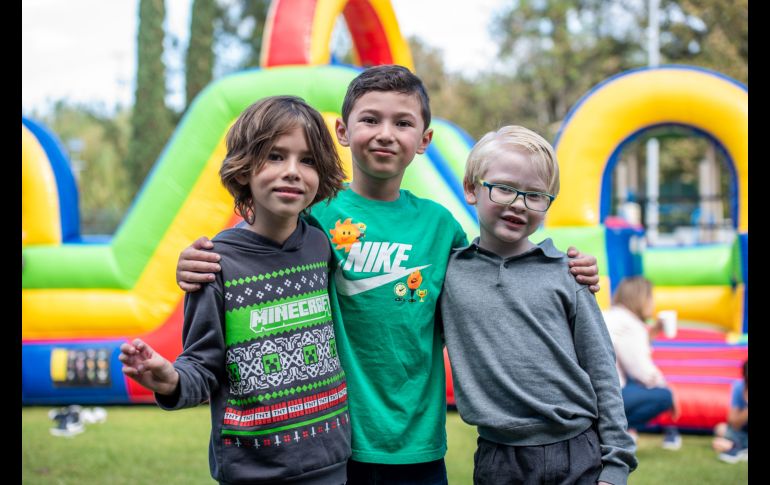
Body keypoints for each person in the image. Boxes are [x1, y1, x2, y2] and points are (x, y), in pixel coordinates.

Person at [175, 65, 601, 484]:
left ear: (424, 140)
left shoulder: (440, 227)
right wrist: (199, 259)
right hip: (336, 444)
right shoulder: (314, 217)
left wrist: (564, 267)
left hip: (419, 447)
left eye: (402, 122)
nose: (385, 133)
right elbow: (261, 242)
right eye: (370, 119)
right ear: (343, 131)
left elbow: (494, 273)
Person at [119, 95, 351, 484]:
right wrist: (170, 380)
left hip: (332, 462)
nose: (293, 171)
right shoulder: (212, 264)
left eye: (307, 160)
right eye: (275, 156)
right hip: (254, 471)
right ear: (243, 170)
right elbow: (202, 367)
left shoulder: (321, 246)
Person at [440, 125, 637, 485]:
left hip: (577, 451)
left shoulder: (568, 274)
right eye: (504, 188)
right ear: (471, 188)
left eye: (535, 195)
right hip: (498, 457)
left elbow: (602, 369)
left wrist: (616, 464)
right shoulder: (447, 272)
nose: (518, 203)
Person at [602, 276, 682, 450]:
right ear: (641, 299)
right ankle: (610, 433)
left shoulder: (609, 315)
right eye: (651, 299)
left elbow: (621, 353)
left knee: (632, 382)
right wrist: (670, 390)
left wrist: (649, 335)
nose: (653, 305)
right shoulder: (630, 324)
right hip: (604, 398)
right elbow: (642, 371)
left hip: (585, 393)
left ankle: (613, 432)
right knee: (663, 396)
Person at [712, 360, 748, 463]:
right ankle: (739, 447)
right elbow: (733, 422)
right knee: (720, 429)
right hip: (742, 431)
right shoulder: (739, 386)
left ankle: (737, 447)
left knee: (721, 442)